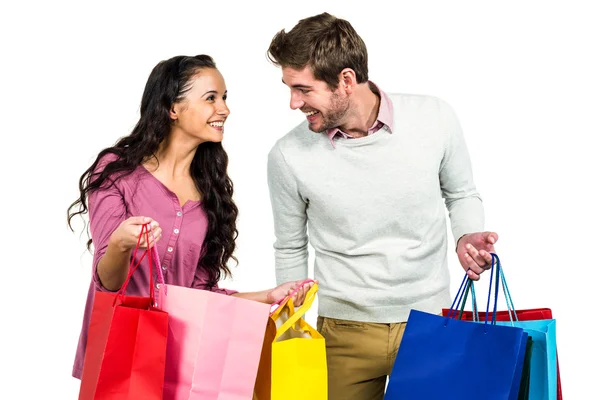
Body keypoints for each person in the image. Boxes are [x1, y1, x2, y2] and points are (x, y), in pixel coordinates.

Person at [266, 13, 498, 400]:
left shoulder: (434, 118)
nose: (293, 103)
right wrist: (291, 328)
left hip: (431, 323)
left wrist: (467, 234)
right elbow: (290, 245)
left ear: (345, 80)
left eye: (303, 89)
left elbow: (460, 194)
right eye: (290, 88)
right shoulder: (288, 155)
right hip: (341, 331)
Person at [68, 54, 314, 380]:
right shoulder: (118, 172)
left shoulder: (211, 195)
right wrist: (121, 242)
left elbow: (201, 294)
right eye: (211, 98)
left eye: (224, 98)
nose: (224, 109)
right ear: (173, 108)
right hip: (120, 355)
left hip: (182, 359)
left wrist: (267, 296)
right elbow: (107, 282)